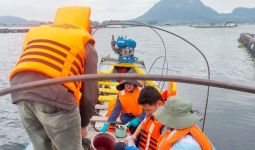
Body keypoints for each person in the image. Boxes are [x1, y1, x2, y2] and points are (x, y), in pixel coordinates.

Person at [9, 6, 98, 150]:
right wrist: (83, 125)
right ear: (87, 25)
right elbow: (89, 95)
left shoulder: (38, 32)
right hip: (56, 97)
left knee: (42, 147)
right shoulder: (84, 42)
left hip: (19, 93)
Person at [129, 86, 166, 150]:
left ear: (159, 104)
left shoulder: (165, 125)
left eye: (148, 110)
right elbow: (143, 122)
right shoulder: (151, 115)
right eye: (144, 110)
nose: (146, 113)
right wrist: (134, 135)